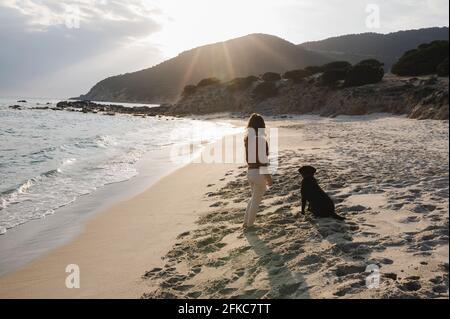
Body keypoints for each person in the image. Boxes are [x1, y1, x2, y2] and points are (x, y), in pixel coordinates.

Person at [243, 113, 273, 229]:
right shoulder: (261, 140)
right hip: (258, 172)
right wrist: (268, 178)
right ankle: (250, 225)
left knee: (253, 199)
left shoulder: (248, 139)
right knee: (255, 200)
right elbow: (262, 162)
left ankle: (246, 223)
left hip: (250, 172)